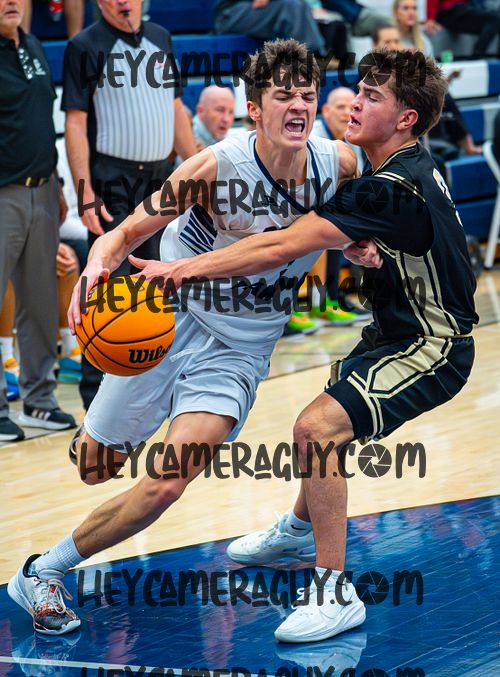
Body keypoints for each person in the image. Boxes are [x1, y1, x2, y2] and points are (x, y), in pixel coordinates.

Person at [122, 48, 478, 642]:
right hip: (393, 332)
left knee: (317, 429)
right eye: (357, 91)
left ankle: (334, 593)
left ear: (406, 118)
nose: (353, 103)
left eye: (371, 97)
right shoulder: (402, 165)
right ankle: (295, 529)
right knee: (324, 430)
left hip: (433, 345)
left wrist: (182, 268)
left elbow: (280, 245)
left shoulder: (392, 186)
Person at [8, 38, 358, 636]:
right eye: (284, 95)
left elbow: (386, 201)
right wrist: (96, 267)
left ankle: (41, 571)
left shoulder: (339, 166)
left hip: (239, 351)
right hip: (167, 322)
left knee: (166, 482)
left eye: (307, 94)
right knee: (95, 469)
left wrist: (368, 242)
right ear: (255, 109)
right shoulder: (214, 168)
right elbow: (123, 234)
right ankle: (114, 428)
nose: (299, 105)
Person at [62, 0, 197, 410]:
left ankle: (153, 387)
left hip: (161, 180)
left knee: (160, 283)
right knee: (108, 290)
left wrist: (198, 173)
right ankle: (96, 398)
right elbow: (75, 121)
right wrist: (84, 189)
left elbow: (175, 109)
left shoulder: (161, 37)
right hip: (112, 181)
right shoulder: (84, 46)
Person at [0, 0, 76, 442]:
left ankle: (39, 400)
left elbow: (42, 122)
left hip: (43, 189)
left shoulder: (31, 45)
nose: (11, 2)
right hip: (4, 192)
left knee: (41, 300)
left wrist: (58, 184)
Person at [311, 86, 369, 325]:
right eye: (340, 107)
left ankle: (333, 298)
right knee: (328, 225)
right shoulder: (313, 136)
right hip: (305, 206)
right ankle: (320, 302)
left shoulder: (352, 137)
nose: (346, 112)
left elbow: (357, 179)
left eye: (351, 107)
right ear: (325, 110)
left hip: (328, 203)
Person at [214, 0, 326, 54]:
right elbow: (260, 2)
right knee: (293, 6)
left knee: (299, 4)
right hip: (230, 15)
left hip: (259, 10)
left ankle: (311, 55)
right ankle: (307, 56)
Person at [426, 0, 500, 58]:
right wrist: (430, 18)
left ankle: (479, 55)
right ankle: (477, 55)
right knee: (494, 19)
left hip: (463, 9)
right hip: (449, 11)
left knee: (494, 20)